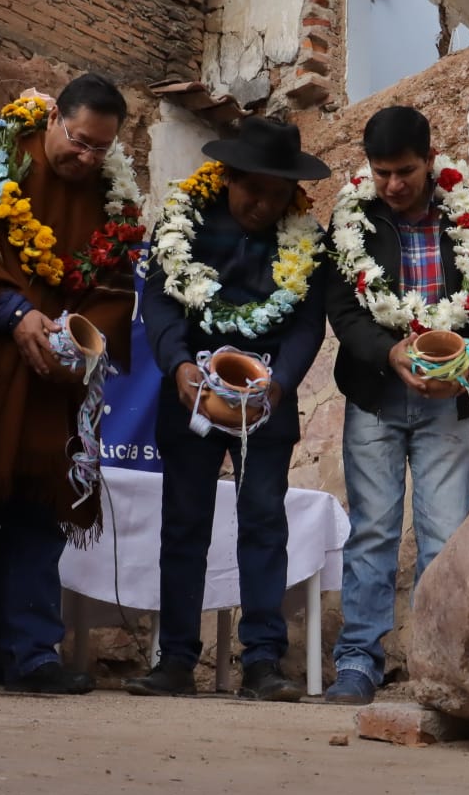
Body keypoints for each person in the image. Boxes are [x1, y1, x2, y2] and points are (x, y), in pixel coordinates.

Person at [0, 74, 140, 694]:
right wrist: (14, 315)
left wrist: (80, 344)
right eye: (78, 140)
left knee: (40, 512)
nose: (86, 157)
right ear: (52, 121)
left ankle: (32, 653)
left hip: (54, 380)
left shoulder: (113, 198)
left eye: (101, 148)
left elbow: (116, 294)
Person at [323, 105, 469, 705]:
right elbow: (345, 311)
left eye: (405, 171)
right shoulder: (352, 217)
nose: (392, 185)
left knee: (445, 538)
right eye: (381, 172)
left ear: (431, 160)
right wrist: (390, 356)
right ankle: (358, 662)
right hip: (376, 400)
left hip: (447, 403)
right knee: (373, 531)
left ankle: (438, 670)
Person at [125, 117, 330, 702]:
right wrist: (179, 366)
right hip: (190, 390)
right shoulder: (182, 224)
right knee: (184, 523)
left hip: (265, 402)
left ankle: (264, 661)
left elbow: (306, 324)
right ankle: (176, 660)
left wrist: (282, 383)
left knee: (263, 523)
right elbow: (161, 305)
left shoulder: (305, 242)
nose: (262, 205)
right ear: (229, 177)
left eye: (276, 194)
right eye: (252, 191)